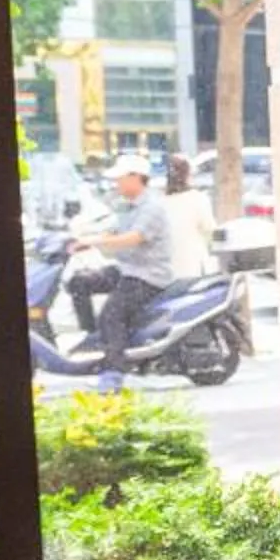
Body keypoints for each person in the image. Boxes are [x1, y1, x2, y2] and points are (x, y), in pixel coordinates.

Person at [73, 154, 172, 391]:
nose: (116, 184)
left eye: (119, 179)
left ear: (136, 178)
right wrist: (82, 239)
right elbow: (112, 231)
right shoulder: (127, 207)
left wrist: (95, 241)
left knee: (111, 313)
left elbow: (133, 238)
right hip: (125, 270)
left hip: (148, 276)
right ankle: (95, 340)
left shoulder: (152, 207)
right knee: (79, 283)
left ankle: (113, 372)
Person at [161, 153, 215, 281]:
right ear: (188, 175)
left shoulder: (160, 202)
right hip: (193, 264)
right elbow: (210, 229)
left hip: (167, 269)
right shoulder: (198, 199)